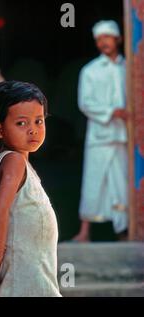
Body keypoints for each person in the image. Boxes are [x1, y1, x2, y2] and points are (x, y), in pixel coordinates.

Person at [0, 81, 61, 297]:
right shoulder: (14, 161)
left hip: (35, 269)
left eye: (39, 121)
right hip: (23, 272)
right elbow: (0, 211)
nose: (33, 130)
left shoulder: (22, 163)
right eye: (21, 123)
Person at [71, 20, 129, 242]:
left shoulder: (130, 69)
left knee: (121, 184)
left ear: (118, 39)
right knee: (93, 181)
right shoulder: (90, 71)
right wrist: (111, 112)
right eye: (99, 39)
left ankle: (124, 232)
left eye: (107, 37)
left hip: (124, 136)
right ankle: (84, 231)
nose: (103, 42)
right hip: (100, 136)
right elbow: (85, 103)